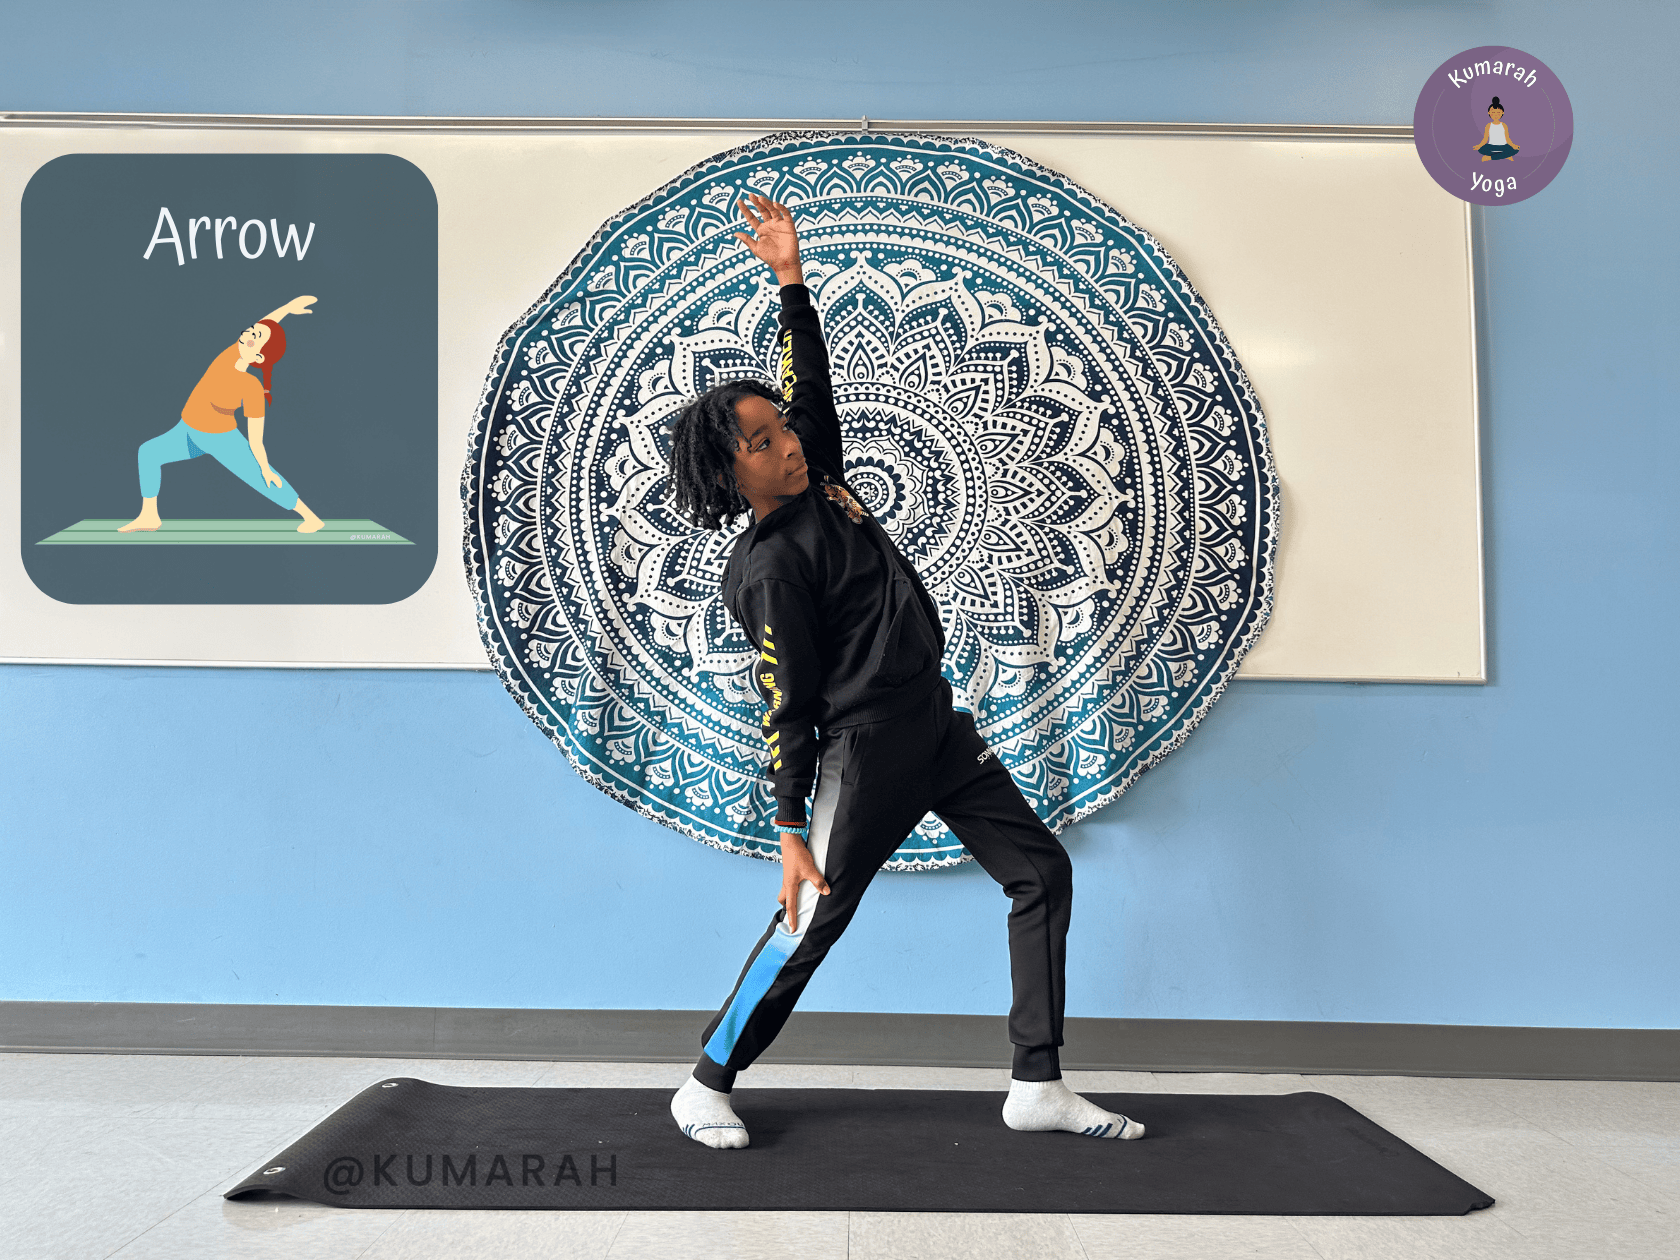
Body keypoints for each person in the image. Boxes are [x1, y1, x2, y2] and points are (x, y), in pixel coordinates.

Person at [663, 193, 1145, 1150]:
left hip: (935, 726)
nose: (788, 443)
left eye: (783, 429)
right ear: (727, 475)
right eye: (762, 443)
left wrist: (791, 283)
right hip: (864, 751)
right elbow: (786, 707)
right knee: (812, 919)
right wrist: (790, 830)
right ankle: (705, 1081)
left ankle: (1037, 1083)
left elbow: (810, 385)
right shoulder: (770, 568)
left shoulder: (820, 476)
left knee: (1039, 871)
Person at [118, 295, 325, 534]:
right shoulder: (231, 355)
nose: (249, 333)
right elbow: (264, 326)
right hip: (187, 431)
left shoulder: (251, 387)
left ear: (258, 357)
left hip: (220, 439)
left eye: (254, 338)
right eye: (250, 330)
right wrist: (286, 309)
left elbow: (256, 440)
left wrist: (265, 467)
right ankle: (149, 516)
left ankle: (311, 518)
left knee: (262, 477)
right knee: (149, 452)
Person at [1475, 96, 1521, 162]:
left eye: (1498, 112)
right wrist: (1479, 145)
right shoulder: (1488, 125)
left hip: (1504, 146)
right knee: (1481, 149)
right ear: (1489, 113)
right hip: (1491, 146)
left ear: (1502, 112)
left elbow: (1507, 139)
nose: (1496, 115)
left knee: (1516, 149)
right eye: (1493, 112)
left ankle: (1490, 157)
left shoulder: (1504, 125)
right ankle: (1505, 155)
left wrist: (1513, 145)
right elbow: (1485, 139)